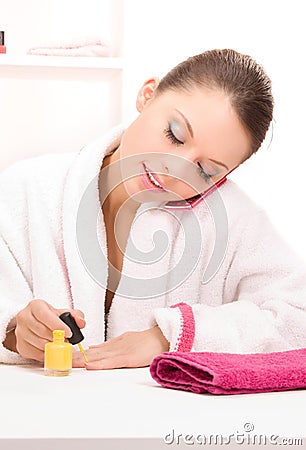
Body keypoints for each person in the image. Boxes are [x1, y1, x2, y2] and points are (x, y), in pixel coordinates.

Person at [1, 48, 306, 370]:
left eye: (206, 170)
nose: (175, 170)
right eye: (174, 135)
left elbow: (296, 318)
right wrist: (13, 331)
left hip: (165, 418)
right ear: (147, 95)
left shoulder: (234, 219)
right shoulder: (27, 188)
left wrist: (168, 337)